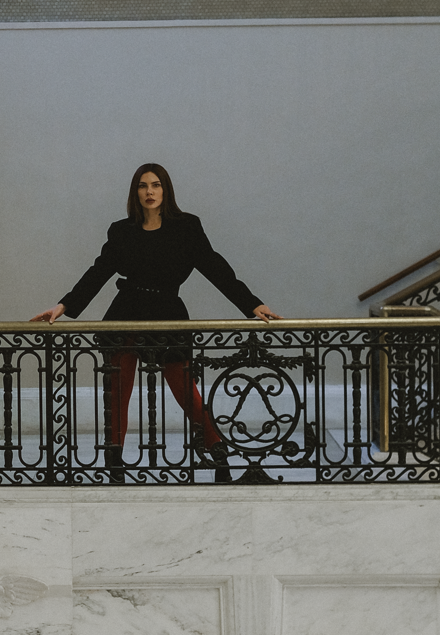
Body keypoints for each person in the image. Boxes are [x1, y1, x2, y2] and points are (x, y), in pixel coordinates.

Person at [31, 163, 280, 483]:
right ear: (135, 192)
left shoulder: (187, 227)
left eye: (156, 185)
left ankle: (219, 453)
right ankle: (114, 459)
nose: (149, 192)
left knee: (185, 389)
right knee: (118, 389)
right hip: (126, 313)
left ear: (166, 190)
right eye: (142, 186)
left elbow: (216, 268)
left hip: (167, 312)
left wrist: (252, 304)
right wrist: (63, 306)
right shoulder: (121, 231)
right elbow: (98, 272)